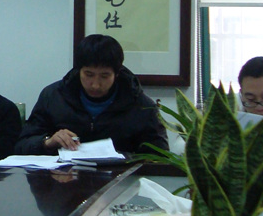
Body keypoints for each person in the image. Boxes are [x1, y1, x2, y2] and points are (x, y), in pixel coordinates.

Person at [16, 34, 167, 156]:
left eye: (104, 76)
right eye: (88, 75)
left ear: (117, 74)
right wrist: (47, 142)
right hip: (62, 179)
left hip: (119, 180)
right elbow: (21, 145)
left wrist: (125, 158)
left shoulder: (141, 106)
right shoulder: (53, 96)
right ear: (78, 70)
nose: (95, 84)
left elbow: (160, 156)